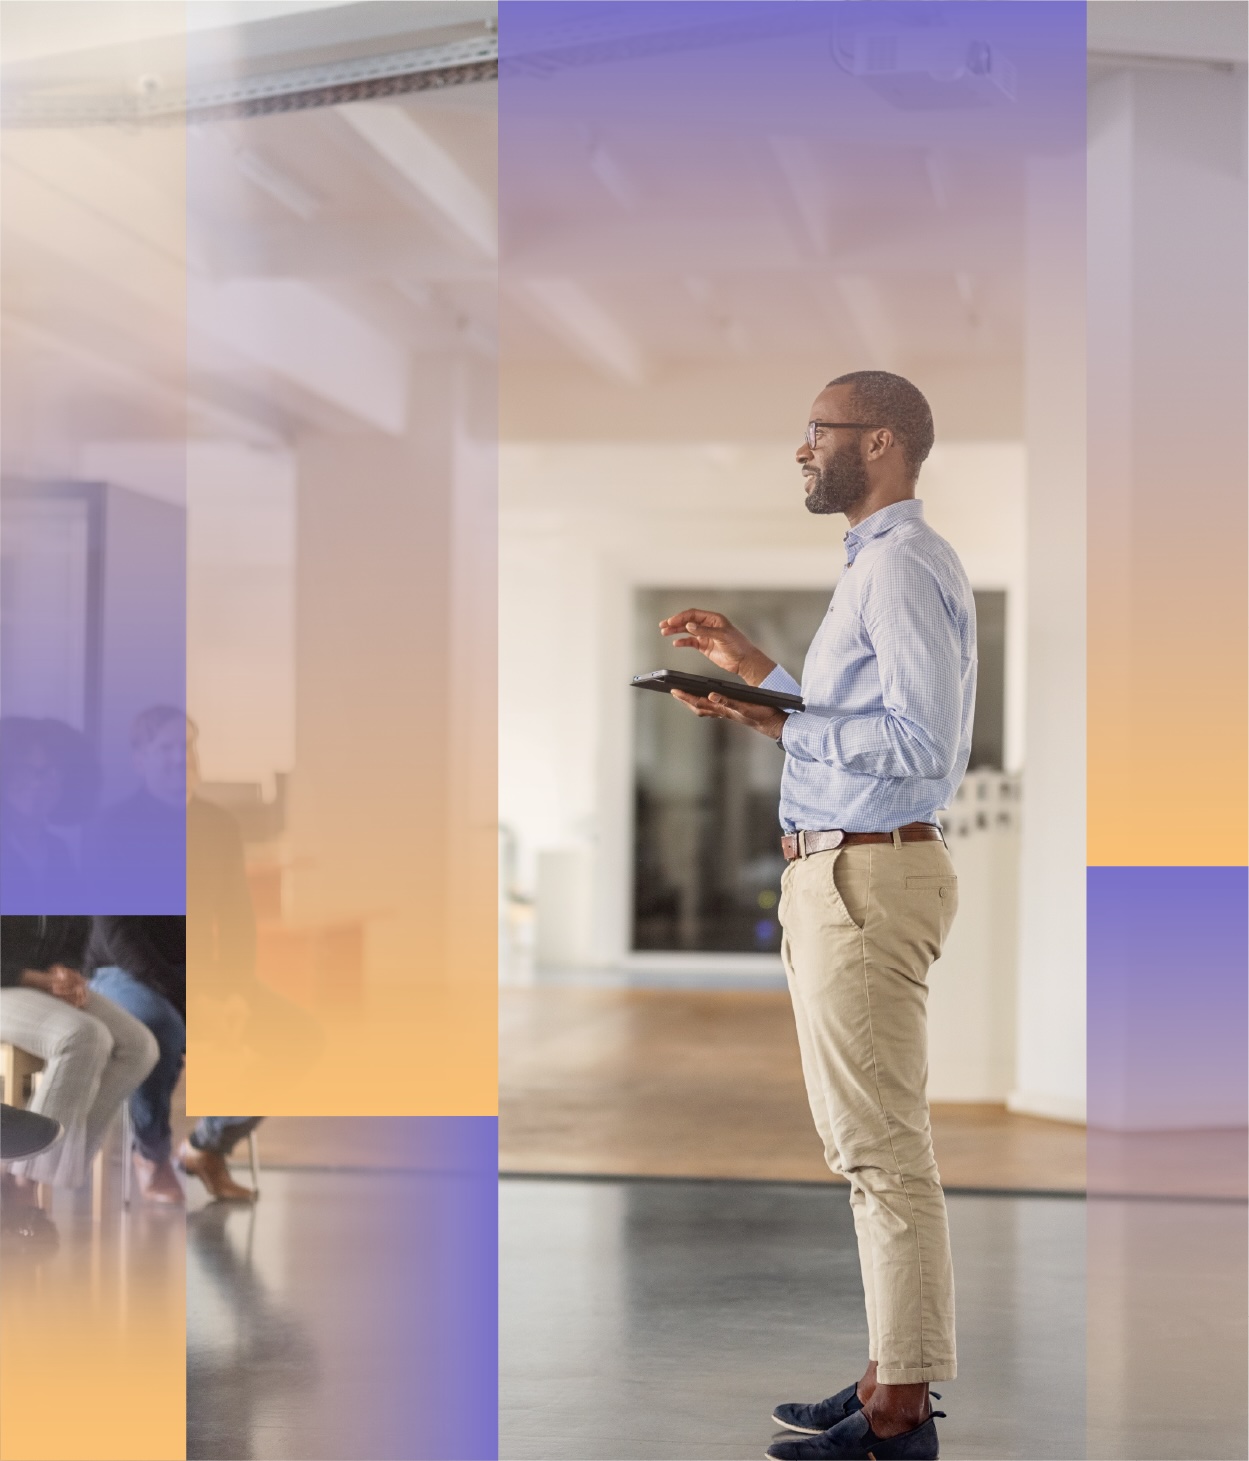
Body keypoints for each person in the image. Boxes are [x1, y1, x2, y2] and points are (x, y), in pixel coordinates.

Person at [660, 371, 973, 1461]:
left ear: (878, 442)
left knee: (881, 1153)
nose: (801, 451)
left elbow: (921, 750)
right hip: (850, 867)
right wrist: (760, 684)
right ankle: (891, 1371)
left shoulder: (895, 565)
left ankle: (898, 1415)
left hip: (865, 877)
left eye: (817, 434)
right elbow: (862, 730)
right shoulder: (879, 567)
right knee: (869, 1147)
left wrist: (787, 719)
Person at [85, 915, 262, 1203]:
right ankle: (150, 1154)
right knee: (159, 1027)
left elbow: (237, 921)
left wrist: (235, 994)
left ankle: (206, 1146)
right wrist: (190, 1000)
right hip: (121, 968)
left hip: (196, 972)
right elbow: (119, 936)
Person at [0, 916, 159, 1222]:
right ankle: (22, 1182)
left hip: (42, 985)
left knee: (139, 1047)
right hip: (8, 985)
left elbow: (77, 939)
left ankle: (34, 1170)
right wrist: (39, 979)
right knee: (84, 1036)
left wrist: (68, 971)